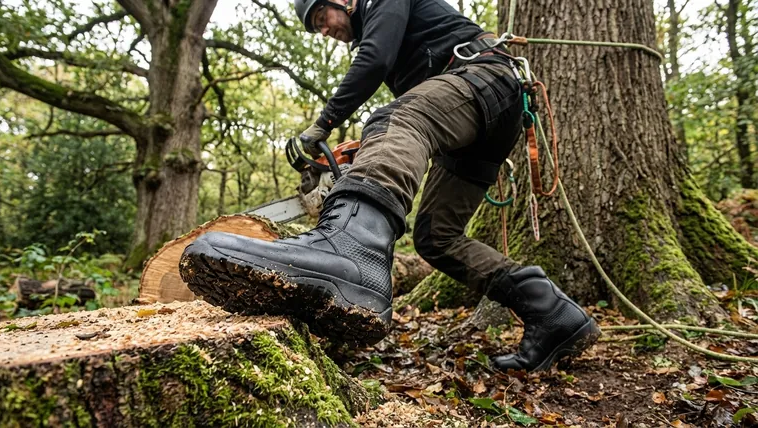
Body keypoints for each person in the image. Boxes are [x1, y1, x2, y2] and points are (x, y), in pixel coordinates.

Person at [179, 0, 600, 372]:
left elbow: (377, 62)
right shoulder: (389, 33)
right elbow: (422, 112)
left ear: (342, 0)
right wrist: (362, 151)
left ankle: (350, 248)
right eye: (315, 28)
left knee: (392, 117)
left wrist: (322, 125)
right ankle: (552, 314)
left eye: (320, 17)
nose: (323, 30)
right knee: (436, 238)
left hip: (483, 78)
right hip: (479, 112)